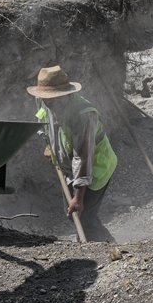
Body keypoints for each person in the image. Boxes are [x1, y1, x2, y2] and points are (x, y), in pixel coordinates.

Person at [29, 66, 117, 242]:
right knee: (73, 213)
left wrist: (78, 196)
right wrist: (48, 143)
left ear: (67, 93)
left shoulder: (83, 115)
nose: (54, 103)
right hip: (69, 167)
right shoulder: (43, 101)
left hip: (95, 167)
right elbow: (43, 120)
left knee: (82, 216)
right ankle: (109, 242)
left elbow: (82, 158)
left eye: (58, 97)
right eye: (49, 98)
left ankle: (96, 256)